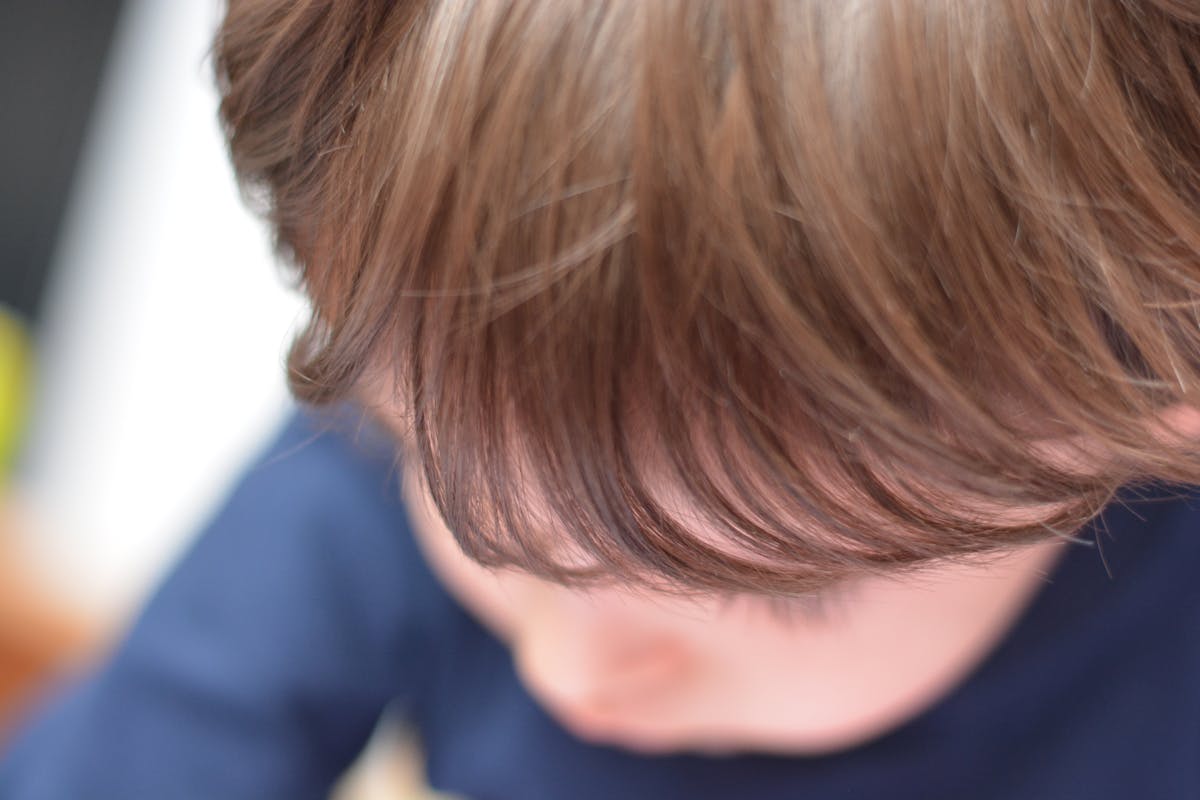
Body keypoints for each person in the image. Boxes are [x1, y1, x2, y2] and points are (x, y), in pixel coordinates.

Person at [3, 0, 1200, 797]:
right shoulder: (424, 437)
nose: (570, 672)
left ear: (1167, 385)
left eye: (769, 593)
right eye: (479, 520)